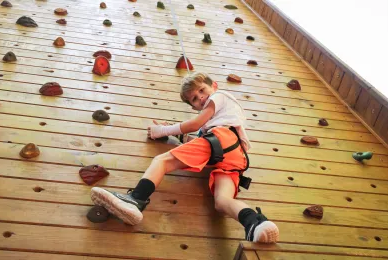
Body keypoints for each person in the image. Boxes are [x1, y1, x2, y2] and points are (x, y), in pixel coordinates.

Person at [90, 72, 279, 243]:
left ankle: (135, 199)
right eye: (195, 99)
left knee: (161, 161)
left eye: (202, 90)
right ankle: (254, 223)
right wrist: (169, 132)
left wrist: (161, 130)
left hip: (222, 140)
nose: (201, 97)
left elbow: (194, 124)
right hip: (234, 157)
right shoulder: (222, 116)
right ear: (193, 106)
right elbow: (195, 137)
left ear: (215, 85)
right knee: (222, 202)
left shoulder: (220, 96)